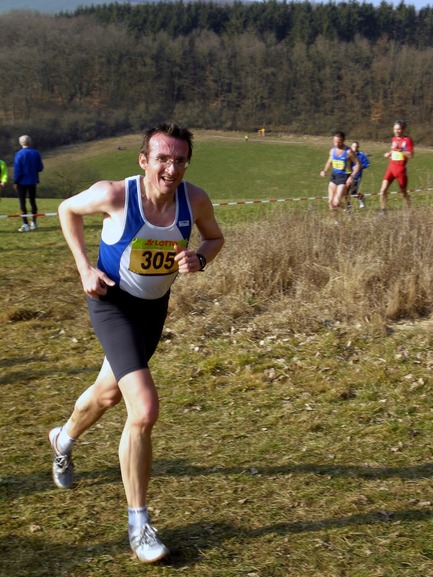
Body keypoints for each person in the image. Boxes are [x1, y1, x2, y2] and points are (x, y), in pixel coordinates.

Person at [48, 122, 224, 564]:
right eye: (162, 158)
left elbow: (215, 237)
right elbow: (67, 210)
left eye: (180, 160)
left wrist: (199, 258)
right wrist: (84, 268)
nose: (171, 168)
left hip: (152, 311)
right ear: (144, 160)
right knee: (143, 409)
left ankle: (63, 440)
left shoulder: (194, 200)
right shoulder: (115, 195)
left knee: (107, 394)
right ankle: (139, 525)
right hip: (113, 305)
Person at [320, 131, 361, 220]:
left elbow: (358, 164)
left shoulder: (348, 151)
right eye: (335, 142)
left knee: (336, 202)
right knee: (330, 202)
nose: (336, 144)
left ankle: (348, 209)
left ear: (343, 141)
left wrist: (352, 177)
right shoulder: (332, 150)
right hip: (334, 177)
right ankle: (336, 222)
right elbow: (329, 162)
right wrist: (325, 170)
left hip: (344, 178)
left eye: (339, 142)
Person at [379, 120, 414, 212]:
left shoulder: (407, 140)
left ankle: (409, 208)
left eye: (398, 129)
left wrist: (401, 151)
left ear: (403, 129)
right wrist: (389, 153)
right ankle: (383, 211)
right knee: (382, 190)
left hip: (400, 170)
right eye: (395, 129)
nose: (396, 131)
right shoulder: (393, 139)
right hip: (391, 168)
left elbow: (411, 155)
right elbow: (394, 149)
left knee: (403, 193)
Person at [13, 134, 44, 232]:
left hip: (21, 182)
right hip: (33, 181)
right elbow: (40, 168)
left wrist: (15, 181)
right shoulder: (36, 153)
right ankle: (34, 222)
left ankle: (25, 224)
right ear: (30, 142)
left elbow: (17, 170)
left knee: (22, 203)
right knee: (33, 202)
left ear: (20, 143)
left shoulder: (19, 154)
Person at [346, 141, 370, 210]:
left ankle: (361, 197)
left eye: (356, 146)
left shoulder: (361, 155)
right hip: (348, 175)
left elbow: (367, 164)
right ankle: (348, 206)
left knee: (353, 193)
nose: (355, 148)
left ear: (358, 147)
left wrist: (359, 166)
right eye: (353, 146)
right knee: (345, 192)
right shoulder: (349, 154)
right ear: (351, 147)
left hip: (356, 176)